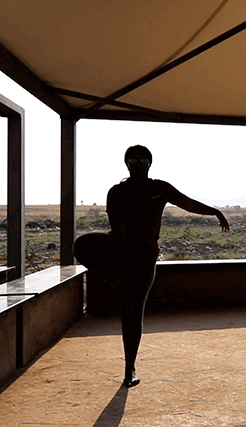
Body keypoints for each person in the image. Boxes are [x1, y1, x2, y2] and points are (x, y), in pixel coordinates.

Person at [73, 145, 229, 388]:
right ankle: (116, 283)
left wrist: (215, 212)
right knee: (81, 244)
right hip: (120, 250)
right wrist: (117, 270)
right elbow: (120, 231)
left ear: (150, 163)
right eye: (133, 160)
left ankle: (129, 368)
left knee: (134, 311)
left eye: (143, 160)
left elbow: (187, 203)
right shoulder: (117, 192)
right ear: (126, 164)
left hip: (146, 255)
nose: (138, 164)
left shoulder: (160, 188)